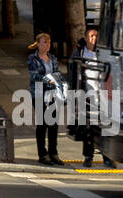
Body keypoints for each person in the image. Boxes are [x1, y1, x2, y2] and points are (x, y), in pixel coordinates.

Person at [71, 27, 115, 169]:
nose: (94, 39)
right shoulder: (79, 53)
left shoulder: (103, 53)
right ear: (85, 38)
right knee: (88, 128)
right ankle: (88, 156)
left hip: (103, 95)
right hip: (87, 95)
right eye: (91, 36)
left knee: (106, 126)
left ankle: (107, 157)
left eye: (96, 36)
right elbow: (73, 75)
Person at [27, 31, 64, 166]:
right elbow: (34, 75)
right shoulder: (33, 58)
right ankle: (42, 154)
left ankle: (53, 153)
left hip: (52, 94)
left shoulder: (53, 58)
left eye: (48, 42)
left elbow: (57, 73)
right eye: (45, 42)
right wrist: (49, 80)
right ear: (38, 44)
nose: (48, 45)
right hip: (39, 95)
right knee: (42, 125)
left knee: (53, 125)